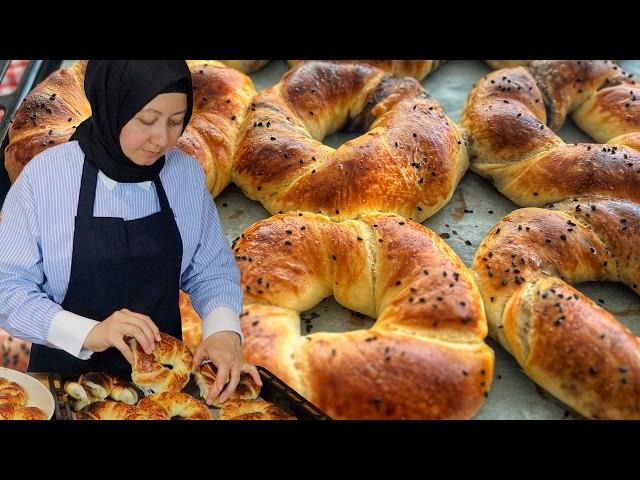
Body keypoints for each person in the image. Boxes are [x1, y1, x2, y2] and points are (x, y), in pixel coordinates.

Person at [0, 60, 261, 404]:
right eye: (147, 120)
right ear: (111, 105)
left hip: (162, 388)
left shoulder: (185, 174)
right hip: (64, 389)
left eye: (175, 121)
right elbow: (9, 289)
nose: (163, 139)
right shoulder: (46, 179)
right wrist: (90, 332)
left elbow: (210, 268)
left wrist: (223, 330)